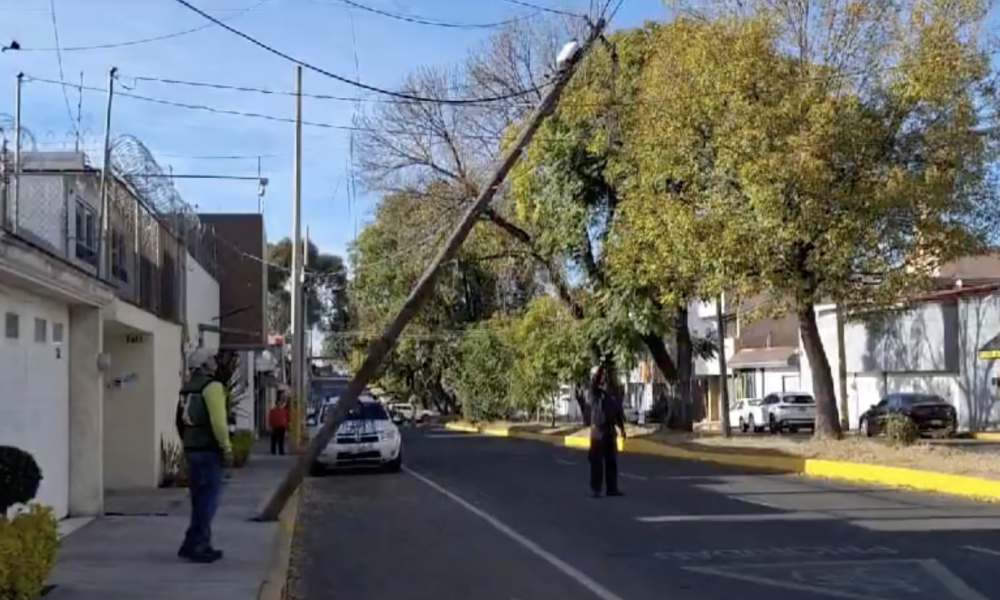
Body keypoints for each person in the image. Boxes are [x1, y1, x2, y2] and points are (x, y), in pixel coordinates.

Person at [175, 347, 232, 563]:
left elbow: (179, 421)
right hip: (209, 450)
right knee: (208, 499)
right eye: (212, 360)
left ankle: (190, 542)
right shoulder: (212, 387)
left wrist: (186, 444)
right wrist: (226, 447)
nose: (215, 364)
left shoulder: (187, 389)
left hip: (192, 450)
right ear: (206, 365)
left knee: (198, 499)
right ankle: (201, 544)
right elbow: (218, 422)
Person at [588, 365, 626, 498]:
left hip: (610, 430)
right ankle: (596, 489)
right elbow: (594, 381)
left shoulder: (608, 394)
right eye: (600, 375)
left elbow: (615, 412)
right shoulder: (593, 393)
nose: (603, 376)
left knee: (611, 461)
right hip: (598, 432)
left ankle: (612, 488)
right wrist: (600, 367)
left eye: (604, 374)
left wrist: (622, 428)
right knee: (596, 462)